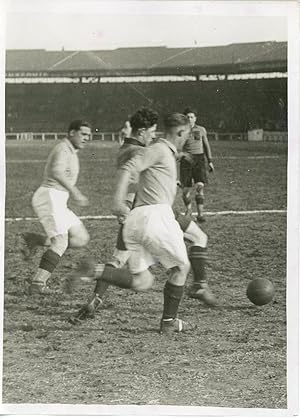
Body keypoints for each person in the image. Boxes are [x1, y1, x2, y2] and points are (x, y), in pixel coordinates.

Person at [68, 108, 216, 324]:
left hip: (144, 214)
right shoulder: (144, 150)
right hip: (148, 213)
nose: (154, 135)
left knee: (137, 275)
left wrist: (178, 155)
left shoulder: (136, 147)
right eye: (152, 131)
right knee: (178, 260)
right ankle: (188, 298)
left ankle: (95, 297)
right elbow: (130, 171)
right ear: (143, 131)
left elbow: (136, 158)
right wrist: (121, 203)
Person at [21, 120, 91, 294]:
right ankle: (38, 283)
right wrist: (75, 192)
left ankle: (36, 240)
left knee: (81, 238)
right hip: (50, 197)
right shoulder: (63, 148)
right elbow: (57, 172)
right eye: (83, 134)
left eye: (88, 135)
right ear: (71, 133)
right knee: (60, 242)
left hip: (59, 199)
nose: (86, 138)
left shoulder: (71, 150)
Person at [179, 107, 214, 223]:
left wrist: (210, 161)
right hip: (186, 160)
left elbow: (206, 145)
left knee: (200, 186)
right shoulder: (181, 131)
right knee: (185, 189)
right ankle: (188, 210)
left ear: (195, 118)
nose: (190, 119)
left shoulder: (201, 130)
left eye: (192, 117)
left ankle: (200, 214)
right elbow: (178, 147)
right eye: (187, 117)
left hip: (199, 159)